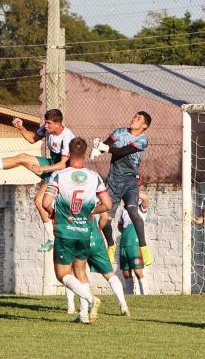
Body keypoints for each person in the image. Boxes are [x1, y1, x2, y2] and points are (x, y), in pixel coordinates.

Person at [0, 109, 74, 252]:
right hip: (51, 165)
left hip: (63, 171)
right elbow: (32, 138)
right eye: (45, 123)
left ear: (57, 123)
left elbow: (63, 164)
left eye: (48, 123)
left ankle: (52, 237)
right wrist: (20, 127)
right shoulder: (48, 130)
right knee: (21, 158)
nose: (45, 126)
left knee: (39, 201)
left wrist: (43, 169)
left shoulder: (67, 137)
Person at [41, 137, 112, 324]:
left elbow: (46, 202)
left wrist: (53, 212)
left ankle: (91, 299)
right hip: (84, 232)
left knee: (63, 274)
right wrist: (90, 210)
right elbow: (107, 204)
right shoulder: (94, 176)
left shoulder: (59, 175)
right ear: (85, 153)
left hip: (65, 231)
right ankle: (83, 315)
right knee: (80, 271)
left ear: (69, 154)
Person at [90, 111, 152, 266]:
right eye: (134, 117)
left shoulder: (142, 140)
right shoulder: (119, 132)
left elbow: (124, 151)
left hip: (130, 181)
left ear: (144, 125)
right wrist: (98, 149)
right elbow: (108, 144)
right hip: (113, 181)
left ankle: (144, 247)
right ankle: (111, 244)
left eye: (139, 119)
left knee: (132, 209)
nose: (134, 119)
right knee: (104, 219)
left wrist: (104, 147)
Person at [65, 215, 130, 319]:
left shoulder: (68, 201)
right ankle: (123, 304)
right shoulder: (94, 199)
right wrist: (98, 228)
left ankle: (72, 307)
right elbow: (105, 216)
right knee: (109, 274)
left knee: (74, 273)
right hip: (96, 240)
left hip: (79, 240)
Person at [118, 192, 150, 295]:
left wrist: (130, 189)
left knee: (137, 270)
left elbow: (146, 199)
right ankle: (130, 295)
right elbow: (120, 225)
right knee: (126, 272)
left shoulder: (140, 209)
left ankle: (144, 294)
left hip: (135, 243)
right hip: (124, 244)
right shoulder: (124, 211)